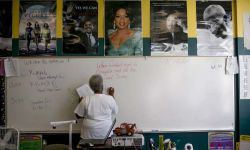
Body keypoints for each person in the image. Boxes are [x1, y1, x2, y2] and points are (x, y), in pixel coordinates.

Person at [74, 74, 118, 140]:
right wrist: (112, 95)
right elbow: (115, 112)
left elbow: (78, 116)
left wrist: (80, 103)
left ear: (91, 88)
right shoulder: (110, 99)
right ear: (102, 86)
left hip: (88, 135)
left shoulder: (85, 99)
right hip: (106, 134)